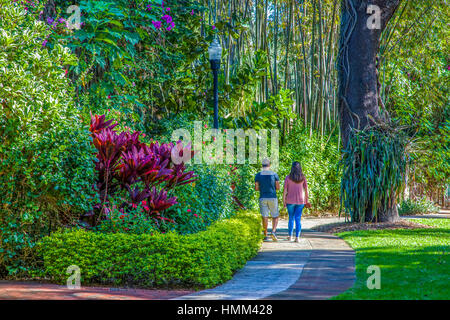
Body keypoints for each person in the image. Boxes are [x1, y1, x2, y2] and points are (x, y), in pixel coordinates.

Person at [282, 162, 310, 242]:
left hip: (290, 201)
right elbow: (306, 190)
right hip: (300, 201)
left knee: (291, 218)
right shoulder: (303, 177)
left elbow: (285, 191)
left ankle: (290, 236)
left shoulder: (288, 177)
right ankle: (297, 238)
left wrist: (284, 201)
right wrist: (306, 200)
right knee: (298, 219)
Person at [255, 158, 280, 242]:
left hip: (263, 197)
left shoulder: (258, 175)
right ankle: (273, 232)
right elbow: (277, 187)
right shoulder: (274, 174)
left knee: (264, 216)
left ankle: (265, 234)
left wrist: (262, 188)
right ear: (269, 165)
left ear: (262, 166)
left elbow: (256, 188)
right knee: (275, 215)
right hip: (272, 197)